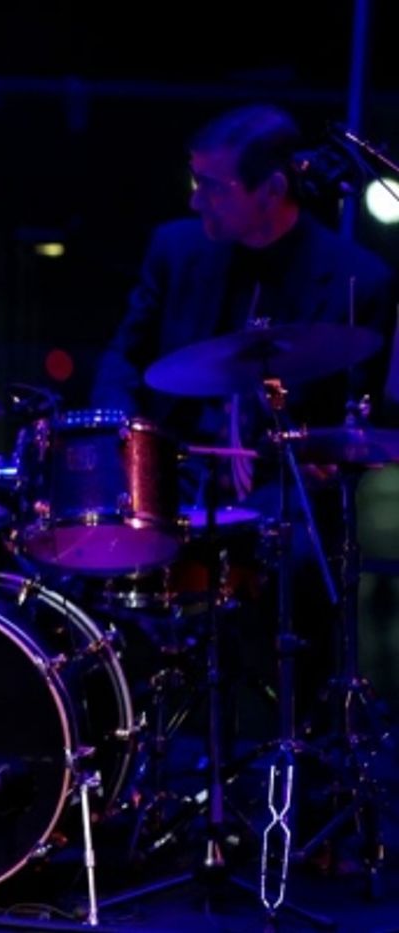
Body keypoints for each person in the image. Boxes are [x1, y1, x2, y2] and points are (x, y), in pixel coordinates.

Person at [89, 103, 399, 746]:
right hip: (175, 483)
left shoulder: (357, 280)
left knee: (301, 577)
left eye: (213, 186)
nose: (197, 199)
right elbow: (126, 354)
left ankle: (295, 767)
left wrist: (326, 456)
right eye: (194, 180)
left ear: (272, 191)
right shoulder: (175, 250)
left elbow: (359, 418)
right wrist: (116, 431)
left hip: (284, 497)